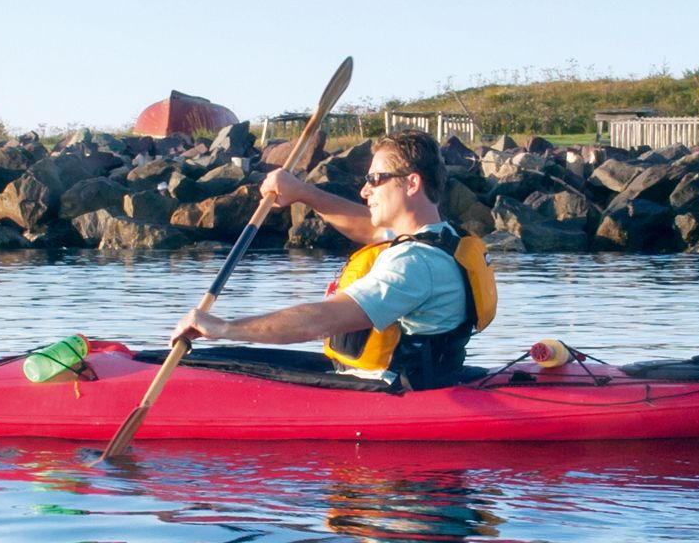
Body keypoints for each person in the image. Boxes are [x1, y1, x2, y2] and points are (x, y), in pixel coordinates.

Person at [171, 128, 491, 390]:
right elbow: (366, 226)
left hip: (393, 388)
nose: (365, 191)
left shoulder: (415, 264)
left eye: (375, 179)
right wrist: (302, 192)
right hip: (420, 375)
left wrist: (224, 327)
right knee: (221, 360)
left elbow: (322, 320)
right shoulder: (443, 237)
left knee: (232, 357)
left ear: (411, 183)